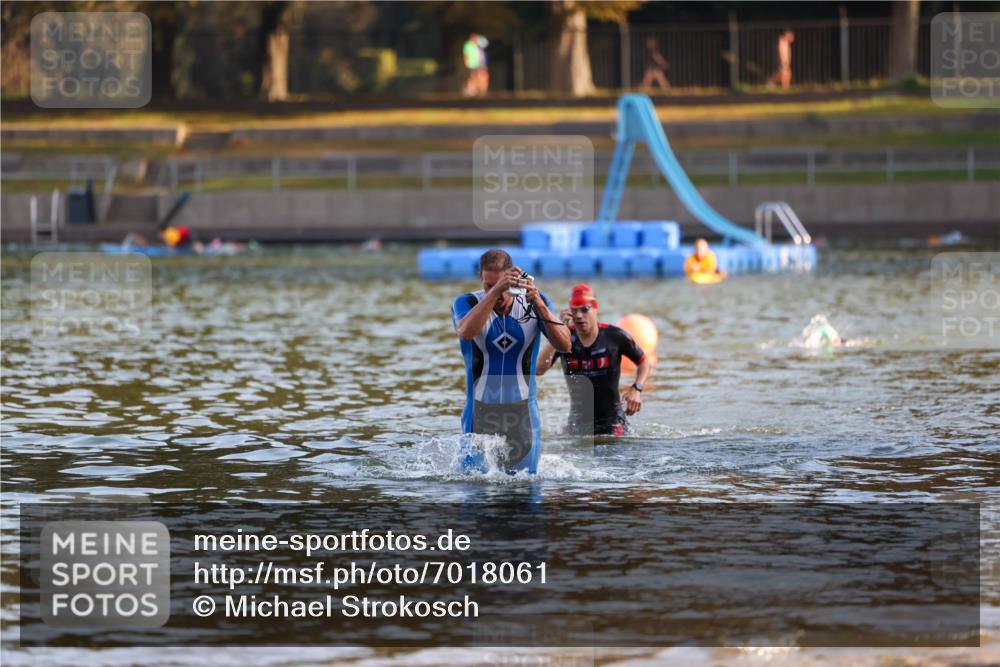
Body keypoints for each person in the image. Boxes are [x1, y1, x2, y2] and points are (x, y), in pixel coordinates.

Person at [452, 249, 571, 473]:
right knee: (473, 489)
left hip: (523, 415)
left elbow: (566, 345)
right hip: (479, 413)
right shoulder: (466, 303)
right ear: (481, 279)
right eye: (488, 285)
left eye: (501, 286)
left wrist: (537, 301)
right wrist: (496, 290)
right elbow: (466, 332)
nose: (496, 294)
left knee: (526, 490)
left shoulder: (536, 302)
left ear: (513, 279)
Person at [536, 285, 652, 437]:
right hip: (578, 424)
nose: (578, 315)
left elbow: (644, 362)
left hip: (613, 422)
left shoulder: (615, 336)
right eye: (574, 310)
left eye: (584, 309)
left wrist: (637, 388)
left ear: (595, 309)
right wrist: (557, 331)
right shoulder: (565, 339)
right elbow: (539, 369)